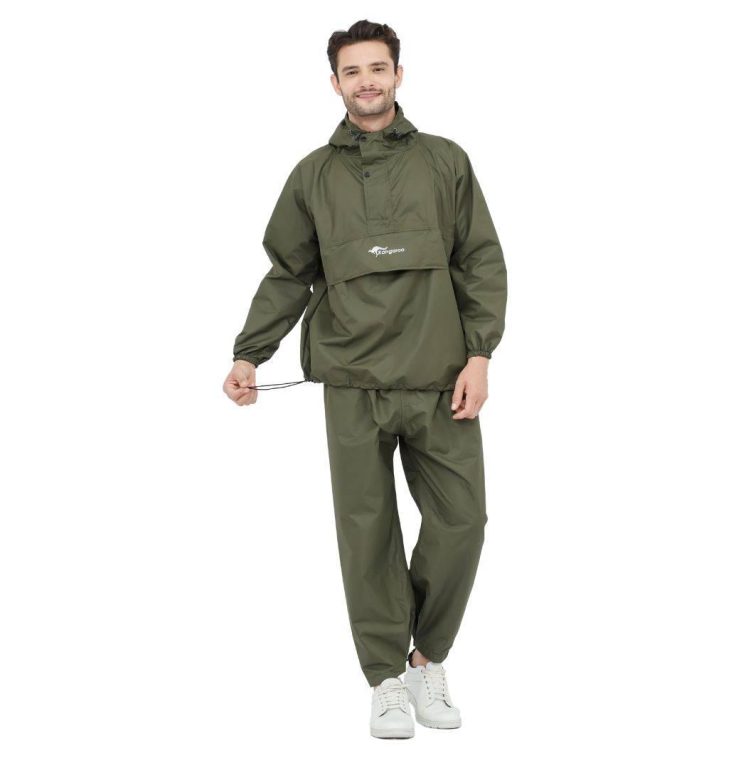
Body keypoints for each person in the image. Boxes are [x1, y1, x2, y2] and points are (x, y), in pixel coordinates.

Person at [222, 19, 507, 739]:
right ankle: (385, 678)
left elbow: (479, 259)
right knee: (366, 532)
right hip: (351, 380)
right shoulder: (313, 176)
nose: (367, 81)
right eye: (353, 71)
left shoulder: (445, 161)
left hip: (440, 377)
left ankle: (425, 658)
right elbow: (289, 273)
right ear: (335, 83)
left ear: (398, 75)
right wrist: (251, 353)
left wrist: (479, 354)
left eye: (378, 68)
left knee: (463, 522)